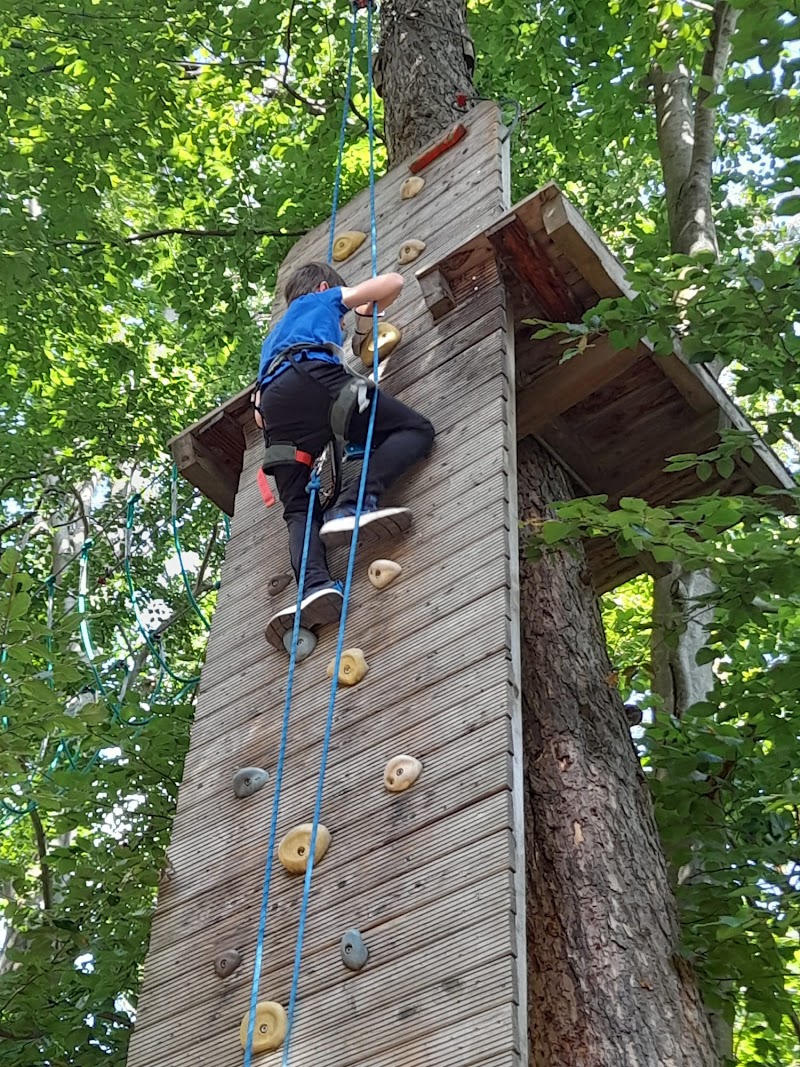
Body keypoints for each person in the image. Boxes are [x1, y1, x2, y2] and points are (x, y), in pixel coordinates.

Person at [256, 261, 435, 643]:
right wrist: (364, 315)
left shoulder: (272, 340)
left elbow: (258, 415)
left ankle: (314, 586)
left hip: (275, 411)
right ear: (322, 287)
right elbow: (393, 282)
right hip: (314, 379)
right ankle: (352, 506)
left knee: (299, 507)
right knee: (414, 429)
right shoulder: (321, 299)